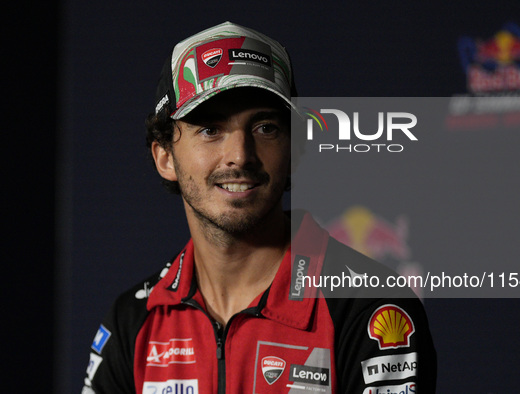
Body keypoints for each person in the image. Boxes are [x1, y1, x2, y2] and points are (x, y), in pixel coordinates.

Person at [82, 21, 437, 393]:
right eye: (210, 129)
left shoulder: (369, 309)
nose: (239, 155)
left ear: (295, 151)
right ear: (165, 157)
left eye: (265, 128)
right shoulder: (134, 320)